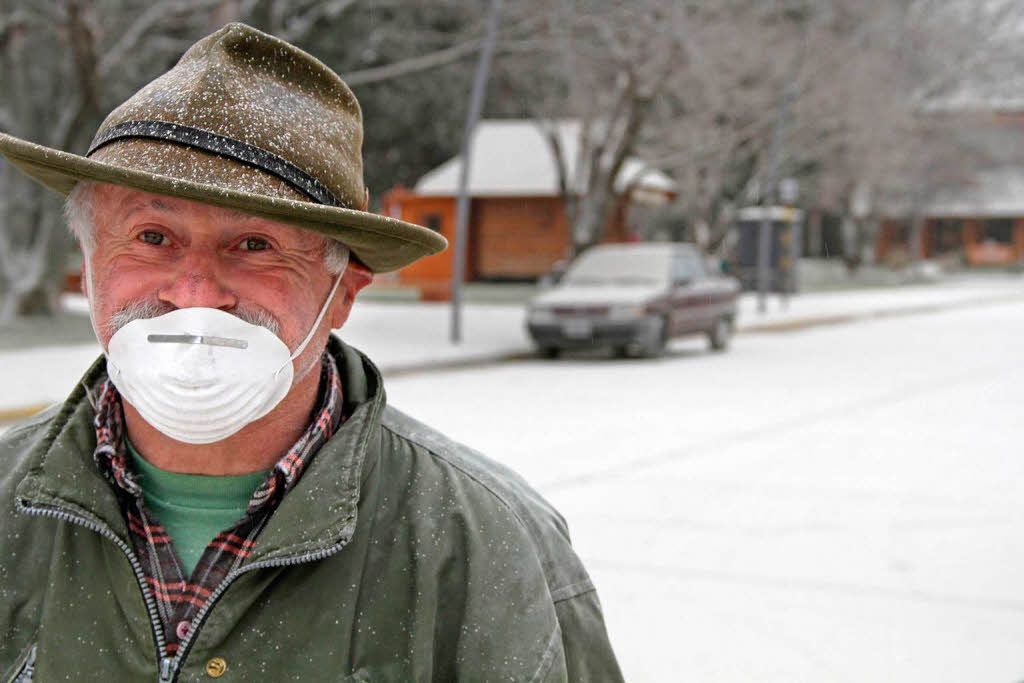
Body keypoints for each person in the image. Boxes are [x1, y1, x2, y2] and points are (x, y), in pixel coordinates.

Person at [0, 23, 623, 682]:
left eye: (255, 245)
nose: (196, 293)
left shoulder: (486, 544)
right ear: (90, 262)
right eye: (153, 235)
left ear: (344, 293)